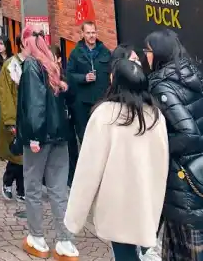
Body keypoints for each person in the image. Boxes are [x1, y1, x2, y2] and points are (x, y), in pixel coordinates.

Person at [65, 58, 168, 261]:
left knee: (124, 254)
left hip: (116, 202)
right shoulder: (155, 116)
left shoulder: (105, 115)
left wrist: (75, 217)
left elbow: (88, 169)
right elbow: (161, 163)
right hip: (146, 200)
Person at [16, 26, 79, 260]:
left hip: (40, 137)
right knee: (58, 190)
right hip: (61, 135)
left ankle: (37, 237)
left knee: (32, 187)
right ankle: (65, 242)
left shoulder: (32, 66)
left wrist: (32, 135)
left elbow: (34, 105)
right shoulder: (54, 66)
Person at [146, 29, 203, 261]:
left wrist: (158, 146)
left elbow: (189, 134)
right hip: (197, 175)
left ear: (158, 53)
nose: (145, 56)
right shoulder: (193, 73)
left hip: (183, 182)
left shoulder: (161, 86)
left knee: (184, 250)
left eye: (147, 51)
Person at [66, 21, 111, 143]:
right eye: (88, 33)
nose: (91, 35)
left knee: (102, 136)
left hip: (101, 102)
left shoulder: (105, 52)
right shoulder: (75, 53)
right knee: (86, 137)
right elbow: (69, 76)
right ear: (82, 34)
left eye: (93, 32)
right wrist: (83, 78)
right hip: (82, 104)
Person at [0, 35, 25, 202]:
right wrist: (10, 121)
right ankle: (9, 183)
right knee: (18, 156)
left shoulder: (34, 63)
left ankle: (22, 189)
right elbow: (5, 95)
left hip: (29, 118)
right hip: (16, 118)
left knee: (25, 157)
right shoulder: (11, 66)